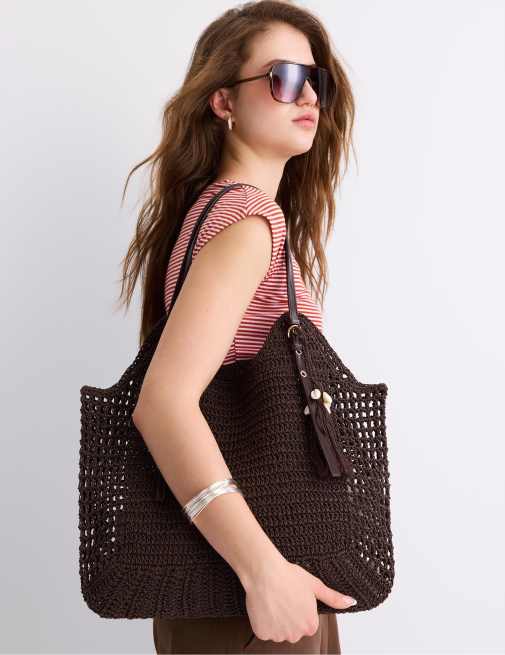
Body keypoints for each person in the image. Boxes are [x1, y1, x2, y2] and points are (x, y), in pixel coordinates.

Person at [118, 1, 357, 652]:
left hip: (234, 584)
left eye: (316, 79)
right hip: (252, 586)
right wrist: (263, 571)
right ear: (223, 101)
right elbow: (163, 405)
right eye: (283, 77)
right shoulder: (249, 223)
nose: (308, 95)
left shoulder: (213, 214)